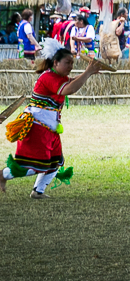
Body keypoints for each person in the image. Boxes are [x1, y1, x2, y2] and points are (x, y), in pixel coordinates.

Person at [2, 41, 102, 197]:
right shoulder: (49, 77)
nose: (70, 66)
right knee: (33, 166)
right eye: (67, 63)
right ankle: (3, 175)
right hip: (36, 128)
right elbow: (70, 89)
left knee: (55, 162)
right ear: (55, 62)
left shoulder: (57, 76)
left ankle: (38, 191)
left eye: (72, 63)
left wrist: (88, 73)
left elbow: (71, 82)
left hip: (48, 128)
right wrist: (88, 72)